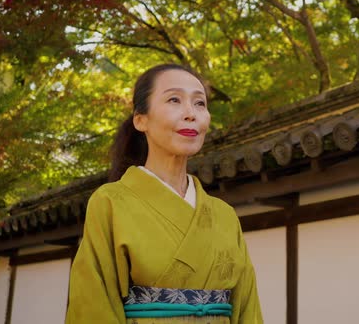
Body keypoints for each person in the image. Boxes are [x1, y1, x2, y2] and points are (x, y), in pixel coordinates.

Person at [65, 64, 263, 324]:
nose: (191, 114)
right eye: (174, 100)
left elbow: (247, 308)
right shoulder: (110, 202)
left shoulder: (224, 215)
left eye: (200, 103)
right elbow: (92, 304)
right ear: (140, 119)